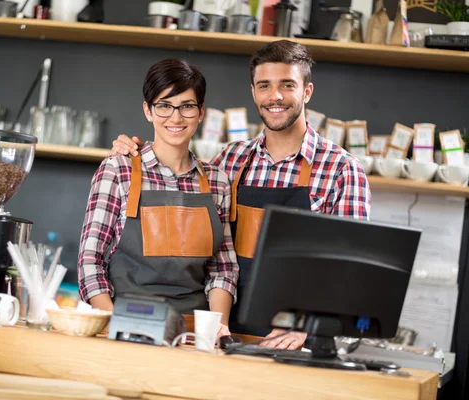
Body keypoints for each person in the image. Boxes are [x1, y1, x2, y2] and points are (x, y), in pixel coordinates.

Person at [109, 40, 371, 349]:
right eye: (264, 86)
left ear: (307, 91)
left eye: (287, 85)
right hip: (229, 338)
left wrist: (308, 327)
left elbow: (353, 276)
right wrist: (131, 154)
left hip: (297, 345)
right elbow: (212, 255)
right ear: (253, 92)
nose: (275, 96)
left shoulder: (341, 170)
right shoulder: (228, 163)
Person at [77, 58, 238, 336]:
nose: (175, 118)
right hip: (124, 324)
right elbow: (90, 261)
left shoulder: (217, 181)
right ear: (148, 111)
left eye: (187, 106)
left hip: (192, 332)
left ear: (200, 113)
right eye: (164, 105)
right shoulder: (118, 169)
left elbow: (222, 269)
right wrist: (114, 325)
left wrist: (217, 327)